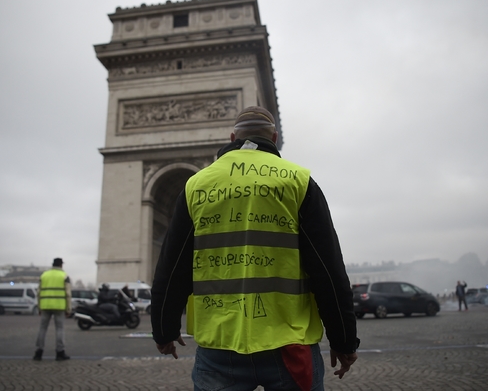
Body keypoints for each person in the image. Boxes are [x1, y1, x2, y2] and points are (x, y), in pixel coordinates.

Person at [151, 106, 360, 390]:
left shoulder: (196, 186)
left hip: (220, 344)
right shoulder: (298, 181)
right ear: (274, 137)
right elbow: (328, 269)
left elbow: (172, 266)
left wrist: (164, 330)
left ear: (232, 136)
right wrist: (344, 340)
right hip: (289, 343)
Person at [33, 257, 72, 361]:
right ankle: (60, 353)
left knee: (42, 329)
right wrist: (68, 309)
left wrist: (39, 307)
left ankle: (38, 352)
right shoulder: (64, 276)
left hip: (45, 306)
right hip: (59, 306)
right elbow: (68, 294)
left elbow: (38, 293)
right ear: (61, 265)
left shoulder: (44, 275)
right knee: (59, 329)